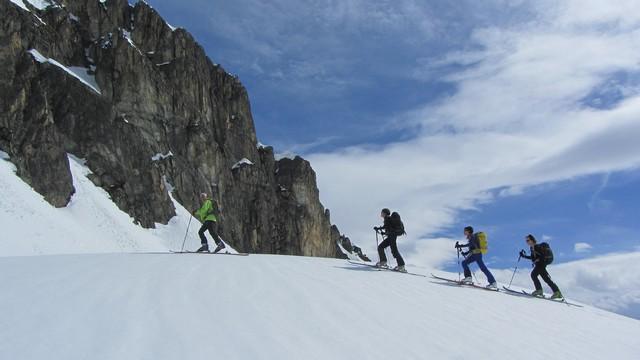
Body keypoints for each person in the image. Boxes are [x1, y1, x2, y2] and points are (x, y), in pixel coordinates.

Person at [520, 234, 563, 299]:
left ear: (532, 240)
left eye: (528, 240)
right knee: (546, 278)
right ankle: (557, 292)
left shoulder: (537, 247)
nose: (527, 242)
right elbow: (532, 258)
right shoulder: (532, 248)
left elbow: (542, 256)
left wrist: (538, 260)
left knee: (533, 275)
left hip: (541, 264)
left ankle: (539, 290)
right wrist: (524, 256)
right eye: (526, 241)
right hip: (540, 264)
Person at [373, 208, 406, 273]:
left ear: (384, 213)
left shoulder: (387, 219)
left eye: (382, 212)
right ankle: (384, 262)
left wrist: (379, 229)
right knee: (382, 247)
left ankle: (401, 265)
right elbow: (388, 228)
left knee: (393, 250)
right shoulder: (388, 219)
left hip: (392, 236)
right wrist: (381, 230)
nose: (381, 214)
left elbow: (387, 228)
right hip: (392, 236)